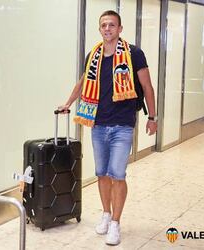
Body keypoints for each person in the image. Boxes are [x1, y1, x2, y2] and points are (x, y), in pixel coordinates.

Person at [58, 10, 157, 246]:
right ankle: (105, 213)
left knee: (117, 174)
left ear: (120, 29)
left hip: (123, 124)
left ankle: (115, 223)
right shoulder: (94, 55)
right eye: (104, 25)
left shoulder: (134, 53)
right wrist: (69, 102)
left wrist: (153, 117)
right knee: (102, 173)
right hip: (98, 124)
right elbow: (83, 82)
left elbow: (147, 85)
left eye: (112, 25)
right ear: (100, 29)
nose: (107, 29)